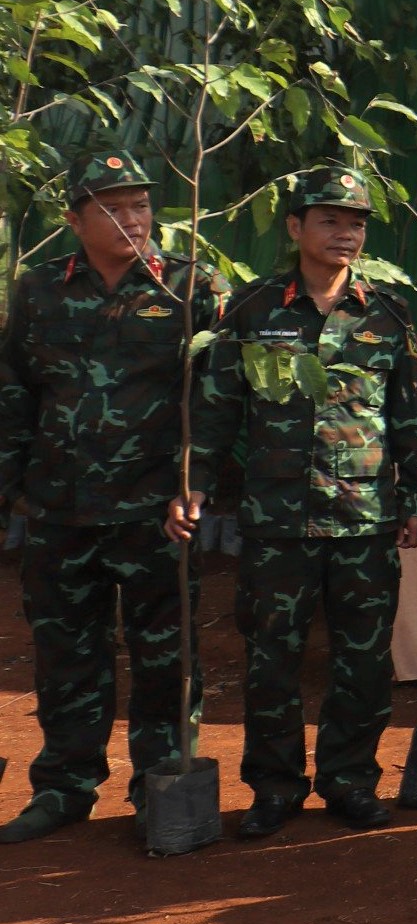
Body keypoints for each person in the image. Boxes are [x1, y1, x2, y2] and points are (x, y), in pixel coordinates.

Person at [174, 165, 417, 838]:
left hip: (365, 521)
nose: (345, 233)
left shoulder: (386, 313)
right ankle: (276, 788)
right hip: (279, 522)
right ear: (295, 228)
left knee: (363, 662)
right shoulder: (256, 310)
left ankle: (350, 781)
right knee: (271, 663)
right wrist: (196, 480)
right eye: (329, 219)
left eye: (355, 223)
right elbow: (218, 408)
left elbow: (407, 413)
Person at [0, 151, 229, 843]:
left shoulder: (191, 288)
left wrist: (194, 486)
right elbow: (15, 391)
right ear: (74, 220)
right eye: (111, 208)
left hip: (155, 513)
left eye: (139, 206)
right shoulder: (39, 291)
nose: (131, 220)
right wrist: (13, 489)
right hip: (59, 508)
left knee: (165, 657)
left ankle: (159, 788)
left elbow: (212, 397)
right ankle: (65, 789)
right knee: (65, 655)